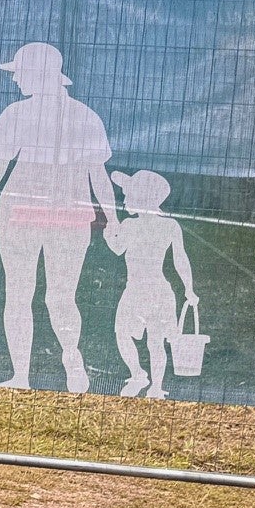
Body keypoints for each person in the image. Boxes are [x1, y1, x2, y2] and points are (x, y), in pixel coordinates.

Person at [0, 42, 118, 393]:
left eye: (20, 73)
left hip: (41, 214)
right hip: (35, 214)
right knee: (40, 295)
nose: (16, 80)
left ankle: (65, 362)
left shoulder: (24, 114)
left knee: (35, 295)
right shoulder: (77, 114)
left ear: (37, 75)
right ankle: (26, 372)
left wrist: (112, 219)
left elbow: (96, 174)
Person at [106, 170, 198, 398]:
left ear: (142, 198)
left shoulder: (133, 225)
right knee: (125, 333)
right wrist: (188, 289)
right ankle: (140, 376)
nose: (125, 199)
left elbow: (180, 259)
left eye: (128, 195)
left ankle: (154, 384)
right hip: (143, 290)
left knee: (152, 341)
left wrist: (109, 235)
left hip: (151, 291)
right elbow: (181, 260)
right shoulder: (165, 225)